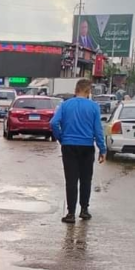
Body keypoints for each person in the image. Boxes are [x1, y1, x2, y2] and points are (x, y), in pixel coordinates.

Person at [50, 79, 106, 224]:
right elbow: (98, 130)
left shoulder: (65, 105)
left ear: (76, 90)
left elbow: (53, 123)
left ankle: (70, 214)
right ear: (88, 91)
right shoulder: (94, 107)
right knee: (86, 180)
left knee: (71, 181)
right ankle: (84, 210)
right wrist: (102, 149)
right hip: (87, 147)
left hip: (69, 146)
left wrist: (61, 138)